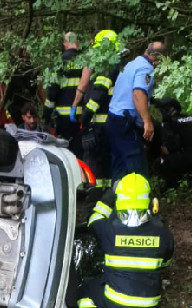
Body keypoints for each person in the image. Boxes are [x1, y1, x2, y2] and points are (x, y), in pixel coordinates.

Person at [78, 173, 174, 308]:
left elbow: (94, 219)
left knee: (87, 288)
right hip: (149, 304)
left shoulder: (109, 229)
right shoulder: (162, 232)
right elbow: (165, 263)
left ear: (120, 199)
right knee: (132, 287)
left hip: (117, 301)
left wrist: (108, 195)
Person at [106, 42, 165, 180]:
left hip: (113, 118)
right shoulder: (146, 68)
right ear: (158, 57)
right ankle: (139, 200)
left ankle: (116, 199)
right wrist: (147, 121)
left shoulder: (132, 64)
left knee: (119, 165)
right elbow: (138, 93)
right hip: (125, 121)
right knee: (137, 167)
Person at [81, 30, 125, 189]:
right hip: (111, 125)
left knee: (96, 166)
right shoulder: (118, 65)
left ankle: (96, 200)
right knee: (107, 167)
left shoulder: (108, 66)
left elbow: (98, 93)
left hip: (101, 126)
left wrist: (85, 117)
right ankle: (106, 198)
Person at [152, 97, 192, 188]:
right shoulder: (187, 117)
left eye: (164, 109)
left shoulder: (170, 123)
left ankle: (176, 184)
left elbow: (170, 148)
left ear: (171, 109)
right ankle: (191, 177)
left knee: (160, 163)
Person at [43, 32, 86, 157]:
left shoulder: (59, 63)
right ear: (77, 42)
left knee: (66, 152)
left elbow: (52, 92)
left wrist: (46, 115)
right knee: (80, 151)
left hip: (63, 118)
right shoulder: (86, 62)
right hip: (81, 116)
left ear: (64, 44)